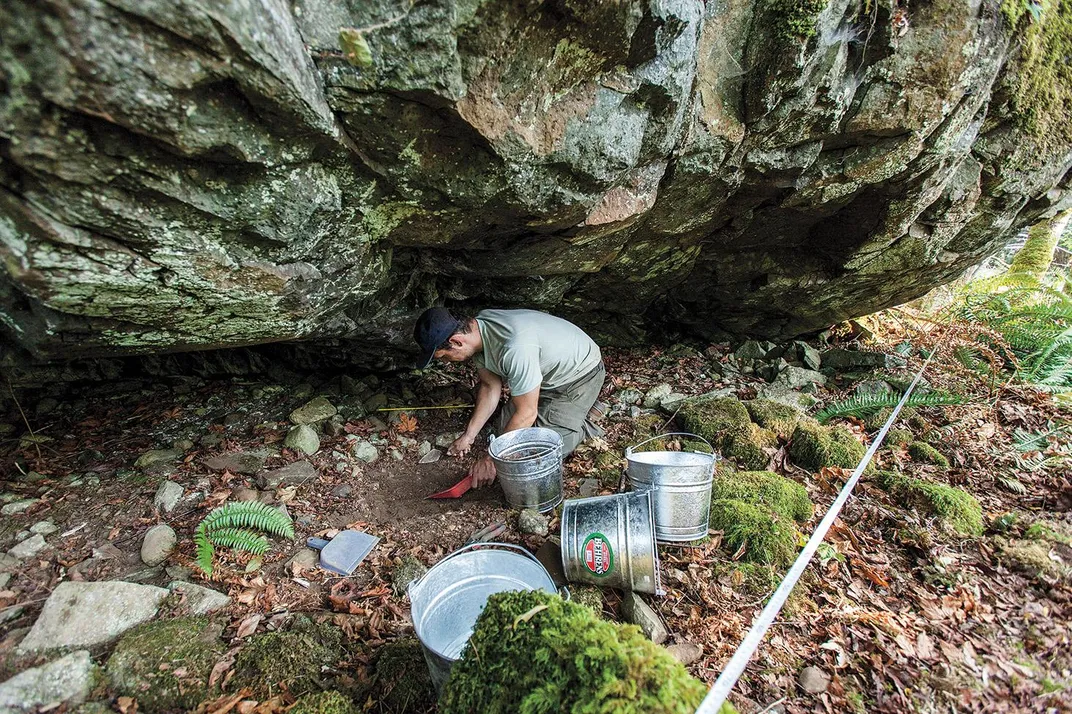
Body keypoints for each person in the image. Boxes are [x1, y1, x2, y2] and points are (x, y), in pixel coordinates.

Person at [414, 307, 606, 487]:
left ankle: (583, 419)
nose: (448, 363)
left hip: (579, 375)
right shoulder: (479, 331)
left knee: (540, 453)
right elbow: (490, 386)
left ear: (456, 342)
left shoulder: (514, 347)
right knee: (504, 429)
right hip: (542, 376)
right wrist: (468, 436)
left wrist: (491, 459)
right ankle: (561, 411)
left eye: (444, 357)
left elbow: (526, 413)